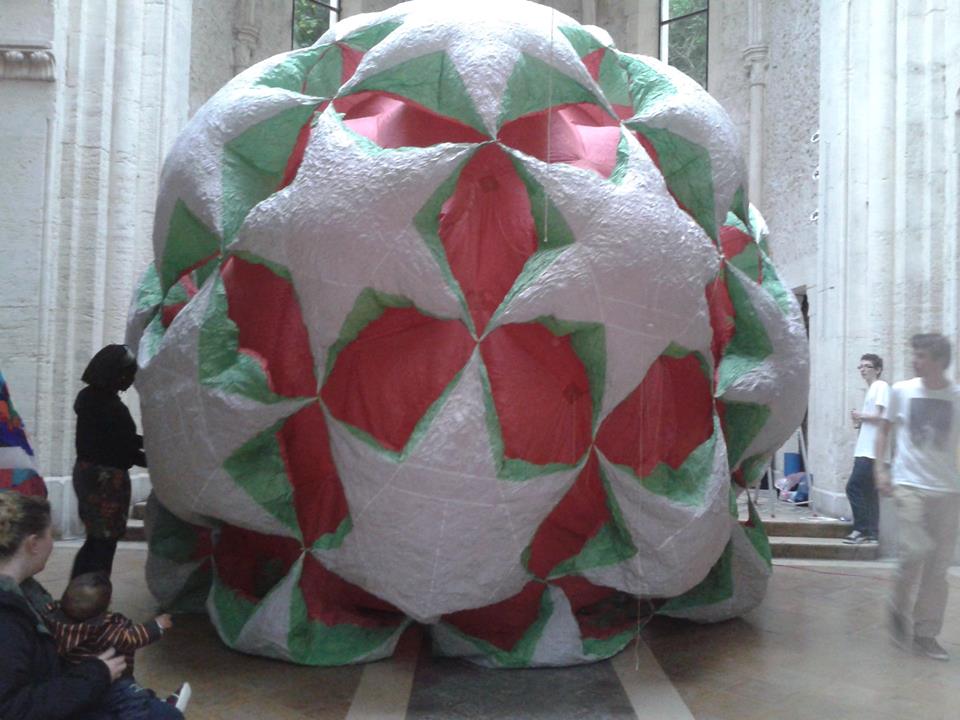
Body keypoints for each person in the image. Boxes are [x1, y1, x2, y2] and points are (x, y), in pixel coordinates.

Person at [0, 490, 125, 719]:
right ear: (33, 543)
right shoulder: (7, 618)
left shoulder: (23, 593)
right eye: (51, 534)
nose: (52, 543)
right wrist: (95, 674)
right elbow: (11, 709)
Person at [876, 333, 960, 661]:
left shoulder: (956, 396)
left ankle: (926, 634)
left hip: (948, 490)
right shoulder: (901, 390)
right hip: (909, 484)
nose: (915, 361)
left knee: (938, 568)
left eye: (922, 356)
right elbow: (884, 429)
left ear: (940, 361)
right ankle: (897, 603)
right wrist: (880, 470)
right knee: (915, 551)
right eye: (915, 355)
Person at [45, 572, 190, 717]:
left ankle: (158, 704)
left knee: (131, 693)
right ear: (107, 604)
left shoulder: (52, 619)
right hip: (108, 678)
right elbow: (130, 638)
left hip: (76, 677)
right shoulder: (103, 629)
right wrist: (156, 626)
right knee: (132, 697)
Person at [72, 344, 147, 579]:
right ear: (118, 374)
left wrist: (148, 442)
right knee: (103, 545)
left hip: (87, 473)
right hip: (105, 481)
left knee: (95, 540)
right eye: (129, 374)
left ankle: (79, 591)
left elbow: (118, 438)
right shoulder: (112, 407)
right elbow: (125, 449)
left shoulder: (88, 398)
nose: (131, 380)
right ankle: (93, 592)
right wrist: (159, 460)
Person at [843, 353, 889, 544]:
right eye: (860, 366)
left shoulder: (880, 386)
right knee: (869, 493)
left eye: (867, 366)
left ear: (877, 369)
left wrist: (860, 415)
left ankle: (860, 529)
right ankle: (872, 532)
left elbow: (881, 416)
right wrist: (860, 420)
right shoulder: (872, 389)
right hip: (866, 448)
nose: (862, 370)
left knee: (853, 487)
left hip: (870, 451)